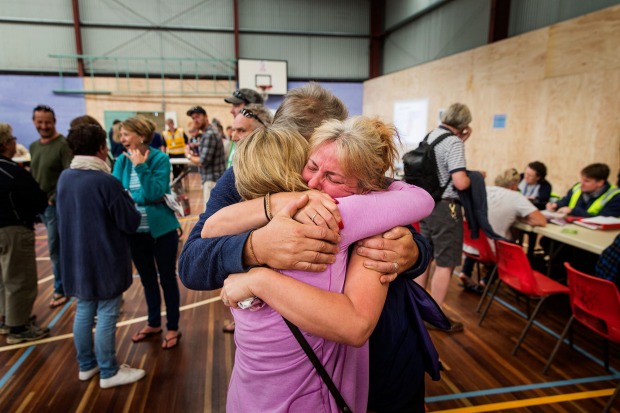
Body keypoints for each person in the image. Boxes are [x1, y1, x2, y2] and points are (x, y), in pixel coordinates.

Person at [179, 83, 437, 412]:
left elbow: (407, 224)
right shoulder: (253, 170)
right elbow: (192, 262)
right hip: (302, 362)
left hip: (382, 353)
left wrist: (412, 253)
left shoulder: (348, 166)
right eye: (309, 160)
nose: (314, 176)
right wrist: (256, 245)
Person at [56, 123, 145, 388]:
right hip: (104, 259)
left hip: (76, 259)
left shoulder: (65, 177)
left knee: (84, 310)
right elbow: (129, 221)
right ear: (102, 148)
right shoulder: (105, 182)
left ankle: (87, 365)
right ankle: (109, 371)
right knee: (107, 312)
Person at [112, 116, 182, 350]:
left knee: (167, 278)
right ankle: (153, 322)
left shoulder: (160, 159)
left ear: (140, 135)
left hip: (162, 231)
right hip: (135, 232)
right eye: (121, 134)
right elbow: (117, 194)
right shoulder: (121, 162)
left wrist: (141, 167)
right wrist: (139, 196)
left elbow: (154, 192)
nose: (121, 139)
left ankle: (172, 327)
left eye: (125, 134)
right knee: (147, 280)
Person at [415, 102, 473, 332]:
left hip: (427, 204)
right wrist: (473, 177)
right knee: (446, 262)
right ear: (464, 125)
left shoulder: (431, 136)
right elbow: (460, 181)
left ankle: (419, 309)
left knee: (427, 257)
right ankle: (436, 315)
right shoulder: (454, 142)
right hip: (447, 208)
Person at [0, 124, 49, 344]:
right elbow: (37, 198)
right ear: (4, 144)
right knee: (19, 279)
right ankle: (18, 328)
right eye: (11, 139)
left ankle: (6, 319)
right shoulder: (12, 172)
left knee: (3, 278)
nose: (14, 142)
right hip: (13, 230)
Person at [459, 168, 547, 288]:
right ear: (514, 185)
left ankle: (465, 271)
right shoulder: (515, 197)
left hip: (469, 245)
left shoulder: (484, 190)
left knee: (480, 235)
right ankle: (486, 281)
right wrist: (522, 218)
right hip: (492, 250)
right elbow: (541, 220)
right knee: (508, 243)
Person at [28, 104, 73, 308]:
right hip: (40, 206)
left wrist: (55, 197)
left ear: (54, 122)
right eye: (40, 122)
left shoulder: (63, 145)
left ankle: (60, 288)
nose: (44, 126)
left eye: (47, 122)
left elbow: (69, 175)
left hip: (56, 206)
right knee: (55, 247)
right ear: (34, 122)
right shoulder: (34, 146)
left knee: (56, 248)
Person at [184, 106, 226, 206]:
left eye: (197, 117)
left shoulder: (209, 134)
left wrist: (188, 155)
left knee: (210, 217)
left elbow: (202, 161)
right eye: (193, 118)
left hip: (212, 181)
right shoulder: (208, 133)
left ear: (206, 117)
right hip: (214, 180)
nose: (195, 120)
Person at [546, 163, 620, 218]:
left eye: (587, 181)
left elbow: (604, 219)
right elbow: (565, 200)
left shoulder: (615, 196)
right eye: (582, 179)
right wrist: (556, 205)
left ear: (600, 182)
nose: (582, 183)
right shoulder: (577, 187)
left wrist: (573, 211)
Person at [227, 104, 273, 169]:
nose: (233, 137)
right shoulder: (238, 166)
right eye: (233, 130)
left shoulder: (274, 165)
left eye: (241, 130)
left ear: (262, 131)